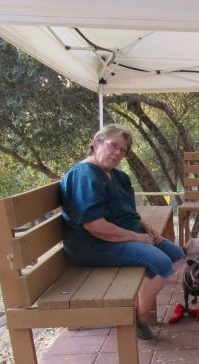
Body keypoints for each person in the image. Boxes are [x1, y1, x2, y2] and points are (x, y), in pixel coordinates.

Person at [60, 124, 185, 340]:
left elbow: (128, 213)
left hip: (119, 237)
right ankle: (139, 317)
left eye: (123, 150)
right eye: (113, 146)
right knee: (161, 262)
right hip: (94, 244)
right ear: (96, 143)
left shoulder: (116, 176)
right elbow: (95, 226)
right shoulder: (85, 176)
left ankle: (135, 311)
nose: (118, 153)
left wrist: (147, 229)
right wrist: (139, 238)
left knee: (175, 254)